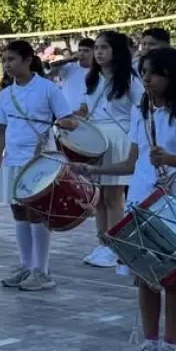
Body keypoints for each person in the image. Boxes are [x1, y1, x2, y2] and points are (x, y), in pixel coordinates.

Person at [76, 47, 176, 351]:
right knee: (145, 277)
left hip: (175, 202)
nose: (146, 78)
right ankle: (150, 343)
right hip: (142, 199)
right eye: (144, 72)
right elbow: (133, 162)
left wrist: (170, 159)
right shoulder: (142, 111)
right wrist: (93, 170)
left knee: (173, 279)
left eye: (153, 73)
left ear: (171, 75)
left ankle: (171, 349)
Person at [0, 40, 70, 291]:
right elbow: (0, 130)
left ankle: (42, 271)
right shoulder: (5, 94)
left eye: (12, 59)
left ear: (27, 60)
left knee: (38, 213)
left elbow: (67, 119)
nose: (7, 65)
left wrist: (61, 126)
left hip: (41, 161)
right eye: (4, 60)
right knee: (18, 212)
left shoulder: (48, 89)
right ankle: (26, 266)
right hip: (13, 160)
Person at [65, 31, 141, 268]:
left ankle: (117, 246)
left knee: (113, 196)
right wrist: (70, 121)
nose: (98, 52)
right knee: (98, 197)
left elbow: (141, 110)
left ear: (116, 51)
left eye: (104, 48)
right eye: (96, 47)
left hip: (120, 138)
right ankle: (103, 243)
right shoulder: (92, 79)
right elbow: (85, 110)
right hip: (96, 139)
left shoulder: (129, 80)